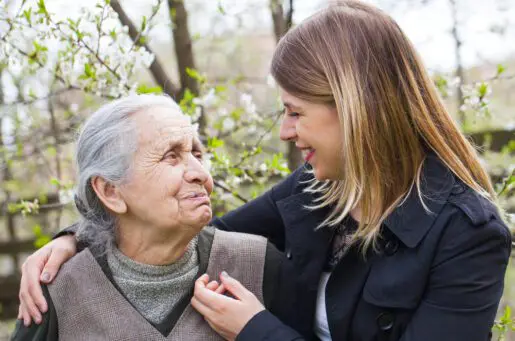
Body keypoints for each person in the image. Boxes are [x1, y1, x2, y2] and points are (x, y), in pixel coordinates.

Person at [17, 1, 511, 340]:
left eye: (296, 112)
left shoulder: (467, 233)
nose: (285, 132)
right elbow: (193, 230)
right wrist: (78, 237)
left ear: (355, 108)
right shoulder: (320, 187)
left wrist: (256, 331)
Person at [10, 94, 289, 341]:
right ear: (111, 192)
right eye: (171, 156)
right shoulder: (59, 292)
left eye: (197, 153)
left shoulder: (260, 264)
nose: (201, 174)